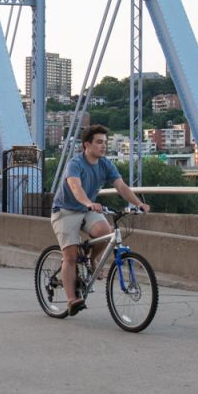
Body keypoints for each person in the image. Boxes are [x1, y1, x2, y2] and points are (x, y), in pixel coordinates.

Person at [50, 124, 151, 317]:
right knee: (70, 256)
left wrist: (139, 204)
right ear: (87, 145)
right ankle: (72, 300)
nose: (103, 146)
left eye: (105, 142)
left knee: (106, 233)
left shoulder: (105, 164)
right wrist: (89, 203)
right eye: (98, 142)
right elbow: (75, 187)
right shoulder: (75, 164)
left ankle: (92, 259)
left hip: (87, 209)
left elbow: (121, 186)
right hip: (65, 210)